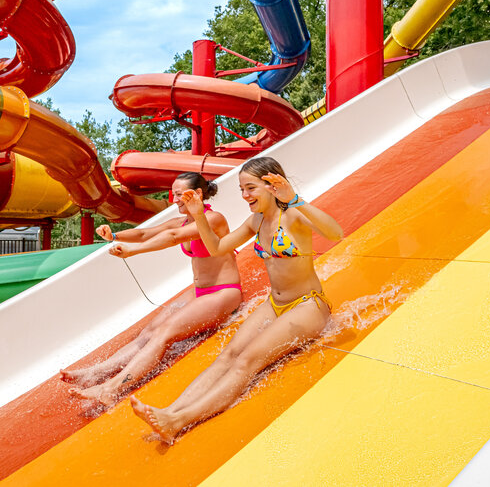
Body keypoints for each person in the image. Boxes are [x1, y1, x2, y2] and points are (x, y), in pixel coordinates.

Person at [129, 156, 343, 444]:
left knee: (246, 361)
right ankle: (170, 410)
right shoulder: (256, 221)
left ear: (272, 186)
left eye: (251, 188)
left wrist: (295, 199)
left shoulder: (294, 215)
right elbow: (217, 248)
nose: (245, 196)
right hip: (275, 304)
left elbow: (336, 233)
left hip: (307, 304)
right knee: (226, 356)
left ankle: (177, 421)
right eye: (242, 189)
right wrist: (199, 215)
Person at [59, 172, 244, 406]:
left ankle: (112, 388)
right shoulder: (182, 220)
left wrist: (133, 251)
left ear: (197, 194)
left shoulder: (214, 218)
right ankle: (95, 373)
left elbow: (173, 237)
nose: (174, 199)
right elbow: (146, 232)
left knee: (163, 334)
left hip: (223, 292)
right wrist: (114, 235)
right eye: (173, 194)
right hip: (199, 291)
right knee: (149, 331)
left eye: (180, 195)